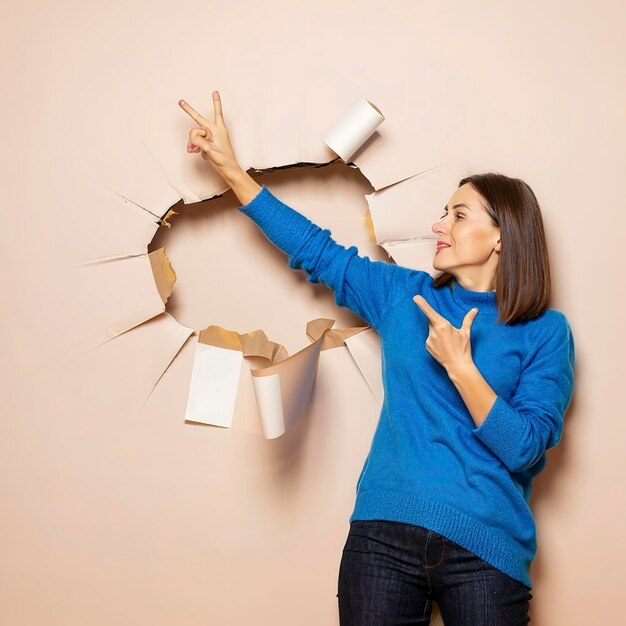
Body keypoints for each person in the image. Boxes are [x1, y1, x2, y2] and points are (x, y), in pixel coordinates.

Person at [178, 92, 575, 626]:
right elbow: (316, 252)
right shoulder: (403, 296)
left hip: (487, 550)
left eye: (458, 215)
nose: (440, 225)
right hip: (382, 538)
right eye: (443, 213)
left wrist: (461, 368)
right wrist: (230, 170)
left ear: (503, 234)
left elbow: (525, 449)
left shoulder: (546, 332)